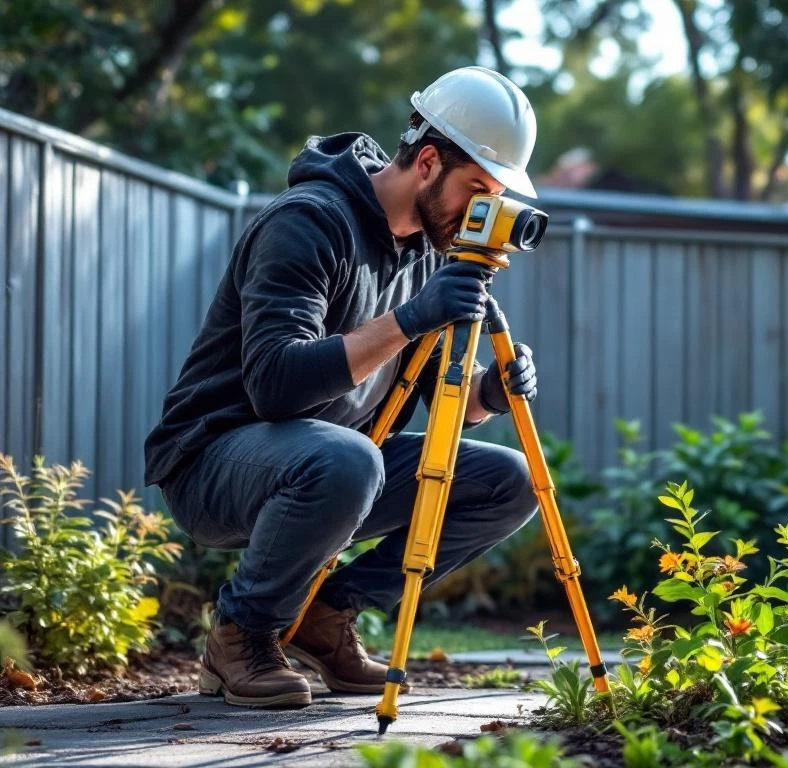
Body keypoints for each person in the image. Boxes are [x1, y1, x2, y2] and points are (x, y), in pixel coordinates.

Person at [142, 66, 542, 708]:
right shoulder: (308, 222)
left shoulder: (430, 255)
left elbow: (448, 402)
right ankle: (241, 632)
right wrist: (410, 319)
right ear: (430, 161)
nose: (484, 211)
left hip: (340, 467)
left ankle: (326, 620)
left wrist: (491, 394)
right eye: (478, 190)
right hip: (215, 460)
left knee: (510, 482)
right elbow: (276, 385)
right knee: (347, 458)